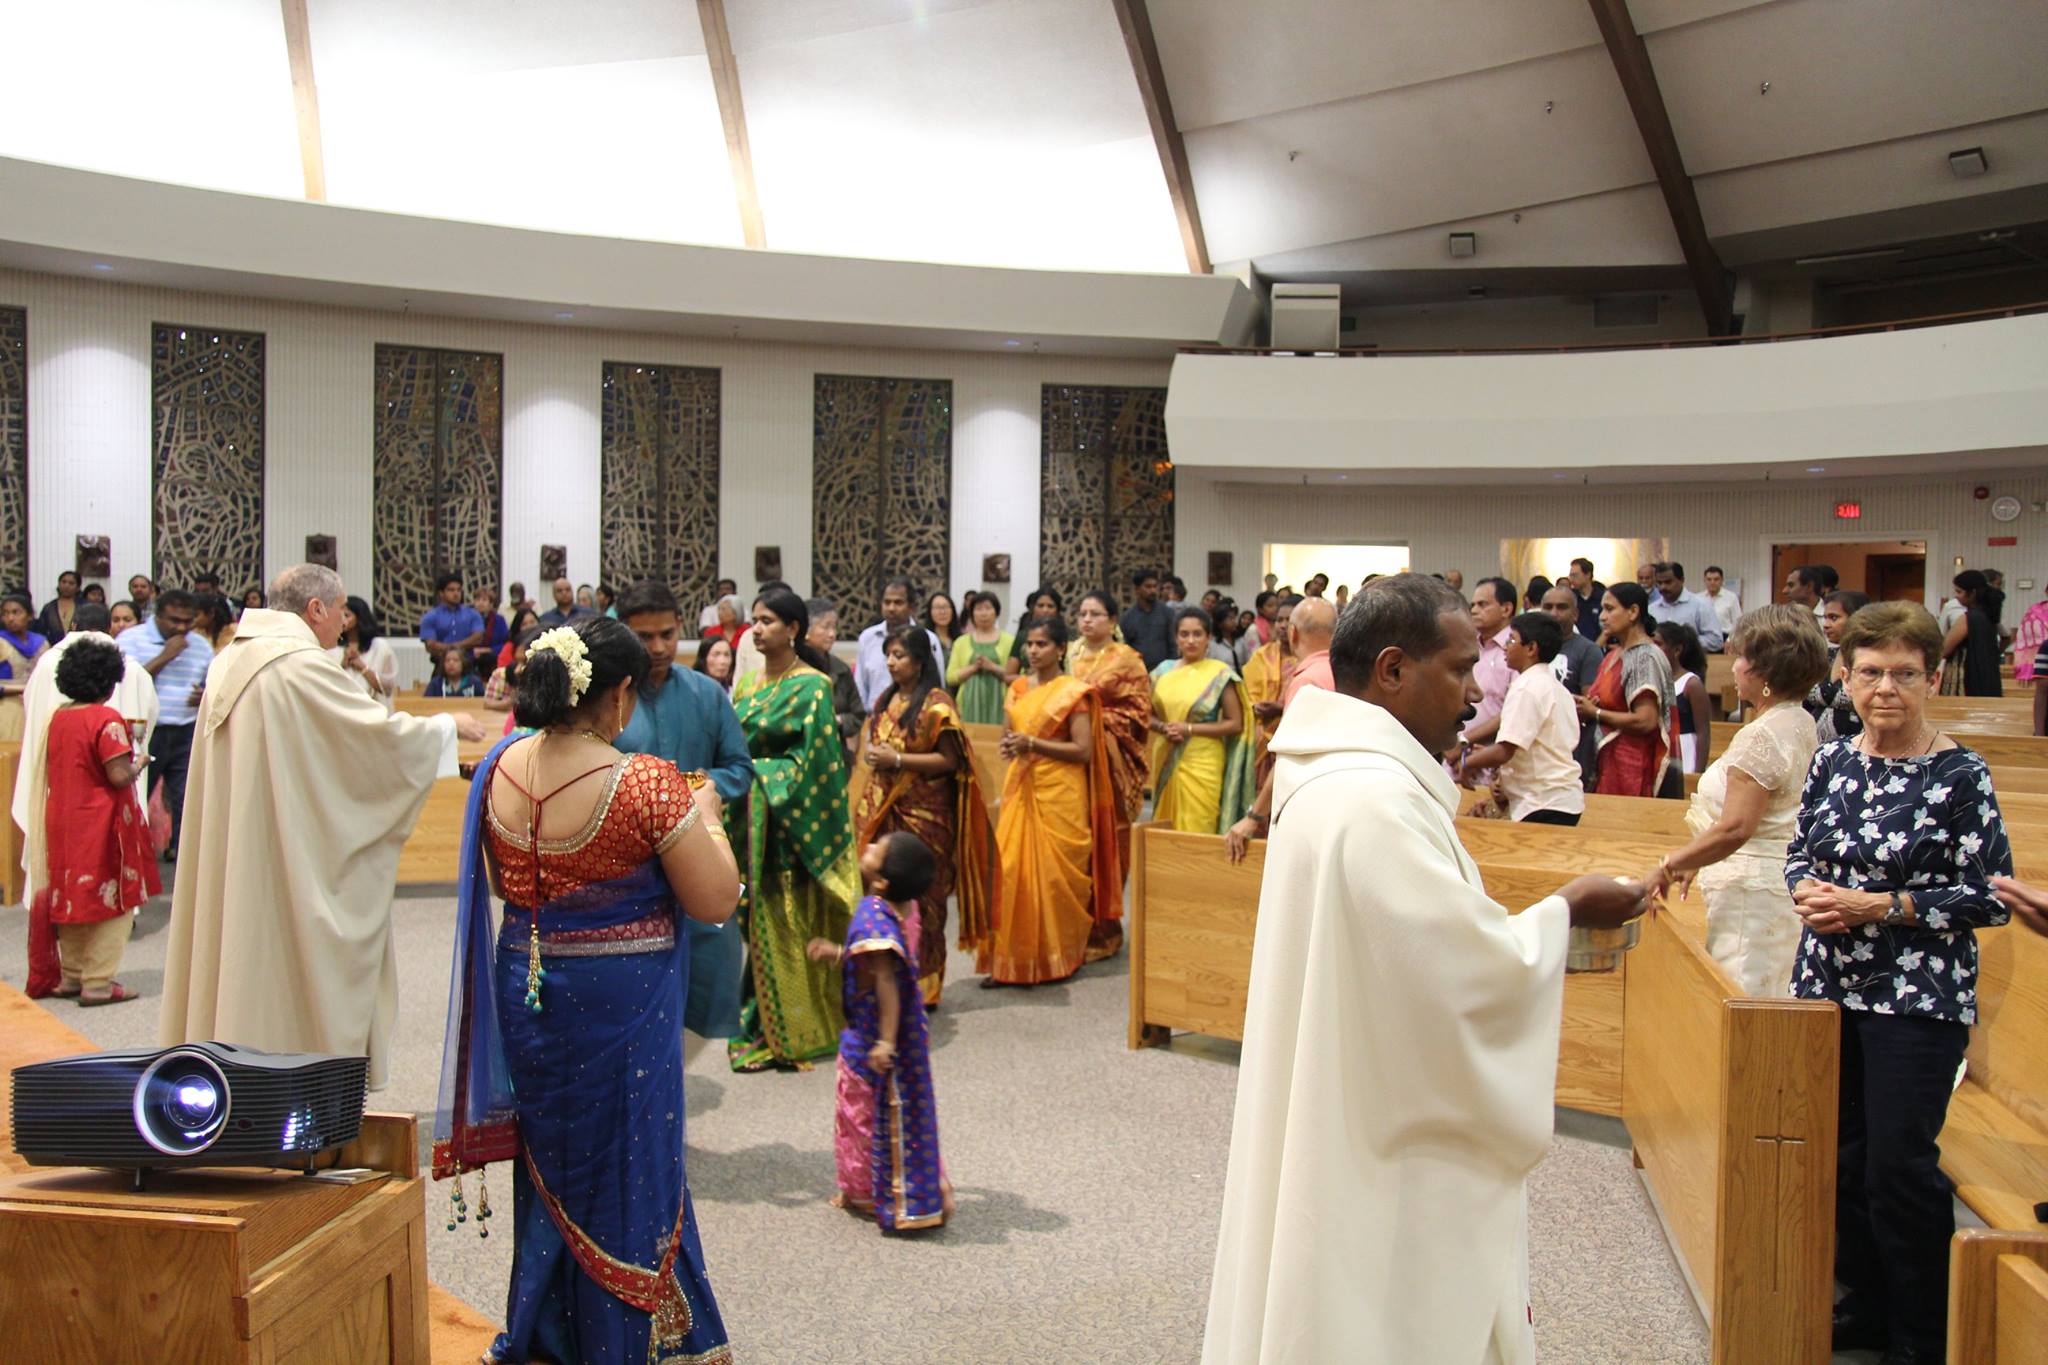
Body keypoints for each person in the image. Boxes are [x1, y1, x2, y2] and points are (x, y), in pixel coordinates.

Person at [1202, 573, 1651, 1365]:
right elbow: (1463, 976)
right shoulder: (1373, 800)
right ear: (1392, 670)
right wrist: (1565, 912)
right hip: (1381, 1140)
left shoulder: (1325, 766)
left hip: (1351, 1086)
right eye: (1458, 666)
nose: (1477, 692)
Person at [434, 614, 738, 1365]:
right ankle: (631, 1341)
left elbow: (510, 885)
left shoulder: (500, 766)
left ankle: (548, 1329)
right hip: (621, 1003)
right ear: (620, 693)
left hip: (529, 993)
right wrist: (711, 818)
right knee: (630, 1164)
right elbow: (714, 901)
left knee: (552, 1157)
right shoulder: (645, 784)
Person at [1782, 601, 2013, 1363]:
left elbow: (1991, 894)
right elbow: (1799, 849)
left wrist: (1883, 904)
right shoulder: (1833, 756)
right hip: (1828, 982)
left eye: (1904, 673)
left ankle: (1923, 1335)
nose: (1886, 688)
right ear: (1845, 678)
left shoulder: (1959, 773)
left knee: (1898, 1168)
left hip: (1916, 995)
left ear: (1932, 678)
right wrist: (1806, 891)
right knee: (1841, 1159)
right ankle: (1868, 1305)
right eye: (1871, 672)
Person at [158, 565, 488, 1090]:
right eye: (339, 613)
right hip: (278, 849)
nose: (342, 624)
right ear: (316, 609)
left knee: (241, 945)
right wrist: (448, 728)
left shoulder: (232, 659)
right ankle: (293, 1088)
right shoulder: (298, 666)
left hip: (247, 840)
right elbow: (370, 739)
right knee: (282, 959)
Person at [1644, 605, 1828, 997]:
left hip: (1752, 897)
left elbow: (1736, 827)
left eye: (1742, 657)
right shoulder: (1799, 719)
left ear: (1765, 671)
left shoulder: (1762, 735)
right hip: (1772, 885)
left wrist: (1670, 865)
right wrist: (1700, 855)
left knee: (1745, 997)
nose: (1734, 666)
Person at [612, 579, 757, 1064]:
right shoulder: (608, 699)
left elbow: (740, 770)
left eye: (667, 635)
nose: (657, 648)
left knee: (705, 978)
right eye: (644, 637)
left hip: (696, 860)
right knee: (627, 991)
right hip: (625, 871)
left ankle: (668, 1080)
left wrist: (686, 785)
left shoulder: (707, 695)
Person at [727, 588, 863, 1071]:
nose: (756, 629)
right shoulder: (744, 687)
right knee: (758, 925)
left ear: (793, 630)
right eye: (754, 621)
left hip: (792, 830)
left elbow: (819, 767)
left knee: (787, 924)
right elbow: (732, 751)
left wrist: (759, 777)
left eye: (767, 621)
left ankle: (797, 1030)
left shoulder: (814, 688)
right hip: (752, 827)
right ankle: (761, 1023)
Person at [807, 832, 953, 1230]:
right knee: (894, 1106)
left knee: (859, 1110)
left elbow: (885, 980)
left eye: (877, 850)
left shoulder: (873, 913)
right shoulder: (905, 908)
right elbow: (875, 961)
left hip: (872, 1032)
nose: (868, 846)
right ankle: (907, 1187)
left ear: (882, 881)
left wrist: (885, 1040)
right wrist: (839, 952)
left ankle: (868, 1193)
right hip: (895, 1026)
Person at [13, 606, 159, 998]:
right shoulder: (105, 719)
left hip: (61, 818)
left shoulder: (59, 717)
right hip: (99, 821)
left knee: (70, 895)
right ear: (108, 681)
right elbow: (116, 775)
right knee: (113, 901)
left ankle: (72, 974)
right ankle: (97, 981)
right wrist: (138, 761)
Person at [854, 625, 993, 1006]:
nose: (890, 662)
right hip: (885, 808)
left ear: (919, 661)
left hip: (925, 814)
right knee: (880, 894)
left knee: (925, 899)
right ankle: (882, 978)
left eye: (899, 656)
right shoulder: (885, 698)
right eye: (888, 655)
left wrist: (897, 759)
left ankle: (924, 986)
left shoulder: (937, 704)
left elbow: (950, 760)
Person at [981, 615, 1120, 986]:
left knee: (1057, 879)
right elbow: (1010, 734)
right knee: (1012, 871)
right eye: (1029, 644)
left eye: (1042, 644)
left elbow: (1082, 750)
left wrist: (1033, 744)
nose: (1033, 650)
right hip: (1021, 788)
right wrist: (1011, 744)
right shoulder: (1018, 689)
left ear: (1060, 649)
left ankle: (1057, 956)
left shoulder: (1073, 692)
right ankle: (1012, 957)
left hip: (1060, 793)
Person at [1222, 595, 1337, 862]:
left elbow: (1291, 757)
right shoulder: (1346, 670)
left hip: (1308, 796)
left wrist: (1253, 818)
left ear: (1294, 633)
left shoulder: (1306, 679)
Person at [1459, 612, 1585, 825]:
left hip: (1542, 801)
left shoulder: (1527, 686)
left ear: (1531, 648)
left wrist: (1466, 763)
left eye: (1512, 640)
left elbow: (1505, 750)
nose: (1506, 646)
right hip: (1562, 799)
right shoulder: (1555, 687)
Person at [1068, 589, 1154, 889]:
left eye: (1095, 614)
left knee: (1109, 830)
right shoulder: (1067, 654)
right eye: (1082, 614)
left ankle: (1106, 921)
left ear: (1113, 620)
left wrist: (1090, 721)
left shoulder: (1127, 659)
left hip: (1109, 755)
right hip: (1067, 754)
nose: (1087, 620)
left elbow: (1140, 711)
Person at [116, 588, 210, 858]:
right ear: (157, 616)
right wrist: (166, 656)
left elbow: (212, 684)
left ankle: (182, 854)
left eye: (188, 621)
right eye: (174, 620)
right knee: (137, 792)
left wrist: (206, 695)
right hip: (144, 731)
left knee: (186, 796)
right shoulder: (131, 640)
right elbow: (125, 684)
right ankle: (129, 852)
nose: (182, 627)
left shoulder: (200, 645)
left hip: (186, 728)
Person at [1148, 607, 1254, 834]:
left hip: (1203, 758)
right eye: (1184, 634)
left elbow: (1235, 724)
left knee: (1200, 823)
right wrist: (1163, 727)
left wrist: (1188, 729)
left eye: (1197, 634)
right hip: (1166, 752)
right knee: (1163, 827)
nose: (1191, 640)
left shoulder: (1220, 673)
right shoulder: (1161, 672)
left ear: (1208, 638)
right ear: (1176, 637)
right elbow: (1146, 715)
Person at [1579, 582, 1679, 798]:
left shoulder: (1645, 657)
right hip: (1607, 761)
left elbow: (1646, 720)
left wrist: (1595, 713)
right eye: (1603, 609)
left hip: (1632, 765)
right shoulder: (1612, 656)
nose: (1602, 616)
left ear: (1633, 612)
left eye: (1610, 609)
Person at [1448, 577, 1517, 787]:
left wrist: (1465, 739)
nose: (1475, 610)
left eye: (1483, 604)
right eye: (1473, 605)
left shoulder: (1516, 651)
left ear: (1506, 609)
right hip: (1453, 756)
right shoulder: (1467, 646)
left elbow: (1511, 712)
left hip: (1490, 758)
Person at [1539, 585, 1603, 788]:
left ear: (1575, 614)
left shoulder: (1588, 650)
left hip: (1571, 749)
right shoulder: (1532, 647)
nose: (1553, 613)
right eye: (1547, 607)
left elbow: (1587, 704)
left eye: (1561, 607)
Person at [855, 579, 941, 712]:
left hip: (917, 718)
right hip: (875, 720)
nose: (891, 608)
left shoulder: (928, 639)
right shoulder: (868, 638)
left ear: (912, 607)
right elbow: (860, 686)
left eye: (898, 603)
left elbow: (935, 682)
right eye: (887, 602)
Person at [1240, 595, 1297, 774]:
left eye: (1289, 620)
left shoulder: (1310, 659)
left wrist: (1281, 709)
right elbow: (1245, 693)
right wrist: (1254, 706)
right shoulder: (1262, 656)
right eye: (1279, 620)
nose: (1282, 625)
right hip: (1260, 737)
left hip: (1294, 740)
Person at [1806, 589, 1871, 744]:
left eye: (1834, 618)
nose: (1826, 625)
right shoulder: (1824, 657)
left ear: (1857, 618)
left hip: (1856, 749)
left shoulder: (1871, 662)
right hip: (1815, 750)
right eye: (1825, 618)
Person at [806, 597, 864, 763]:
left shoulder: (840, 669)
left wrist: (838, 721)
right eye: (825, 627)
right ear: (805, 630)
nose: (832, 634)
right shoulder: (791, 667)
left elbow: (858, 714)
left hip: (835, 754)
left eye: (834, 627)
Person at [1654, 620, 1713, 773]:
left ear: (1677, 650)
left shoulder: (1691, 684)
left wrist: (1698, 773)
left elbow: (1703, 733)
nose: (1653, 649)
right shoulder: (1654, 680)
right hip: (1661, 750)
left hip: (1685, 751)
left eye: (1658, 644)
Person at [946, 590, 1012, 726]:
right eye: (978, 609)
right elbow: (950, 677)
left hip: (1001, 705)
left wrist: (992, 667)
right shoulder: (961, 642)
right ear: (971, 614)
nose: (984, 613)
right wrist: (973, 668)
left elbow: (1018, 676)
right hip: (968, 706)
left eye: (988, 608)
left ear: (996, 612)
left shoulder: (1009, 641)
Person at [1941, 569, 2004, 697]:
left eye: (1959, 591)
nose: (1956, 596)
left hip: (1965, 675)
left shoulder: (1968, 618)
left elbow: (1944, 649)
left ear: (1972, 593)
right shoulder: (1989, 615)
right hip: (1988, 674)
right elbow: (2006, 636)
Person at [329, 595, 398, 702]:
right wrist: (343, 665)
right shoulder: (333, 647)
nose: (343, 620)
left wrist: (362, 667)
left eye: (347, 615)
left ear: (359, 617)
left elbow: (387, 688)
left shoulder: (380, 646)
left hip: (373, 710)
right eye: (340, 615)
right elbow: (327, 684)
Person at [1647, 561, 1725, 652]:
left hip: (1690, 664)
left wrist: (1683, 641)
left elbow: (1716, 641)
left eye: (1668, 582)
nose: (1663, 587)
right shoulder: (1651, 610)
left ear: (1682, 580)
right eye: (1659, 583)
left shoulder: (1700, 605)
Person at [418, 572, 484, 671]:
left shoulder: (472, 614)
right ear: (441, 593)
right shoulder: (430, 617)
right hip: (441, 666)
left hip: (468, 665)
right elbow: (430, 645)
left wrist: (452, 648)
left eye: (458, 590)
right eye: (451, 590)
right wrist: (455, 650)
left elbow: (477, 638)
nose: (456, 594)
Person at [1120, 569, 1176, 672]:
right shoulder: (1127, 618)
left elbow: (1173, 645)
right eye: (1148, 587)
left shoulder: (1167, 613)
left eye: (1155, 586)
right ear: (1137, 589)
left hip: (1164, 672)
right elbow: (1125, 650)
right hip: (1138, 673)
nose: (1153, 590)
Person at [1003, 587, 1064, 680]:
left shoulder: (1068, 637)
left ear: (1057, 610)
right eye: (1040, 605)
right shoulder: (1023, 636)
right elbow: (1008, 676)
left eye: (1050, 606)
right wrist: (1033, 678)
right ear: (1033, 608)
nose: (1045, 610)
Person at [0, 593, 51, 702]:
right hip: (7, 706)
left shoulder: (42, 643)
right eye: (5, 613)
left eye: (16, 612)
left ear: (30, 615)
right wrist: (24, 688)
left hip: (37, 703)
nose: (10, 618)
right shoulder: (1, 641)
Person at [469, 586, 507, 675]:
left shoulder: (499, 620)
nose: (480, 603)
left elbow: (505, 643)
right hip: (472, 657)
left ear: (490, 604)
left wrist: (488, 650)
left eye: (484, 600)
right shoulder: (468, 619)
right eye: (477, 600)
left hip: (492, 658)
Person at [1566, 557, 1604, 641]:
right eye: (1570, 575)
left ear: (1588, 575)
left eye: (1575, 575)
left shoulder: (1602, 597)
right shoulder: (1570, 597)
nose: (1571, 579)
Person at [35, 570, 80, 642]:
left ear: (78, 588)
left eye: (71, 583)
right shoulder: (49, 608)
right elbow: (40, 632)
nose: (66, 586)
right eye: (63, 582)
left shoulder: (83, 607)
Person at [1701, 566, 1741, 640]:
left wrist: (1730, 640)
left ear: (1722, 580)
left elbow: (1738, 623)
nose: (1712, 582)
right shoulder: (1698, 598)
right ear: (1704, 580)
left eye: (1716, 579)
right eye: (1709, 579)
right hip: (1704, 638)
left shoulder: (1731, 597)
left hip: (1725, 638)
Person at [922, 591, 959, 657]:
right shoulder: (925, 639)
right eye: (937, 607)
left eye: (946, 607)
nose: (942, 612)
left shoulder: (961, 639)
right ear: (930, 612)